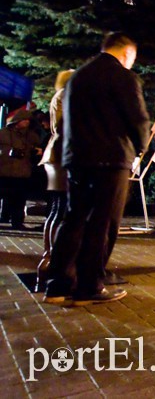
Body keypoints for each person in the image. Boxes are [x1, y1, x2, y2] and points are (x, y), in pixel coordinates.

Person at [44, 33, 150, 306]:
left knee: (74, 219)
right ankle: (89, 286)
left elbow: (65, 122)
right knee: (103, 224)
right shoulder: (123, 77)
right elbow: (137, 118)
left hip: (77, 159)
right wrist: (140, 148)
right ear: (126, 54)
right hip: (111, 159)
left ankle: (58, 284)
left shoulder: (77, 78)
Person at [35, 69, 74, 292]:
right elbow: (65, 126)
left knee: (57, 208)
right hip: (61, 155)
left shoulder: (58, 96)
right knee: (60, 210)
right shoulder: (64, 97)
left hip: (55, 155)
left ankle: (49, 256)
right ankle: (51, 257)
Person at [0, 110, 42, 229]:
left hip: (22, 172)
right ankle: (5, 217)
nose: (26, 123)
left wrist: (35, 152)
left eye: (28, 121)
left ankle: (17, 222)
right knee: (5, 196)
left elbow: (37, 150)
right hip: (4, 170)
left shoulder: (31, 136)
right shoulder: (3, 133)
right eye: (24, 120)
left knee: (19, 200)